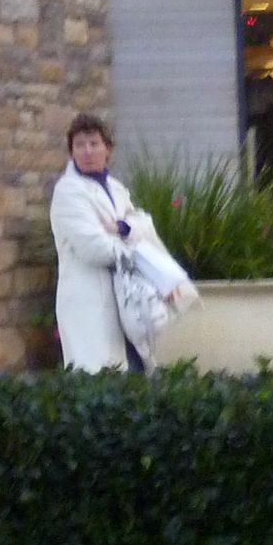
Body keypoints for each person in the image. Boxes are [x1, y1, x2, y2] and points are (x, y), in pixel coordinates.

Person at [49, 113, 180, 373]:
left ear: (107, 149)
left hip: (127, 302)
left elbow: (142, 225)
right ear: (71, 152)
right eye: (79, 145)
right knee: (102, 376)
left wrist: (123, 228)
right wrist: (137, 249)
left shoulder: (116, 188)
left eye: (94, 143)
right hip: (90, 302)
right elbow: (94, 248)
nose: (87, 151)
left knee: (135, 373)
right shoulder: (68, 192)